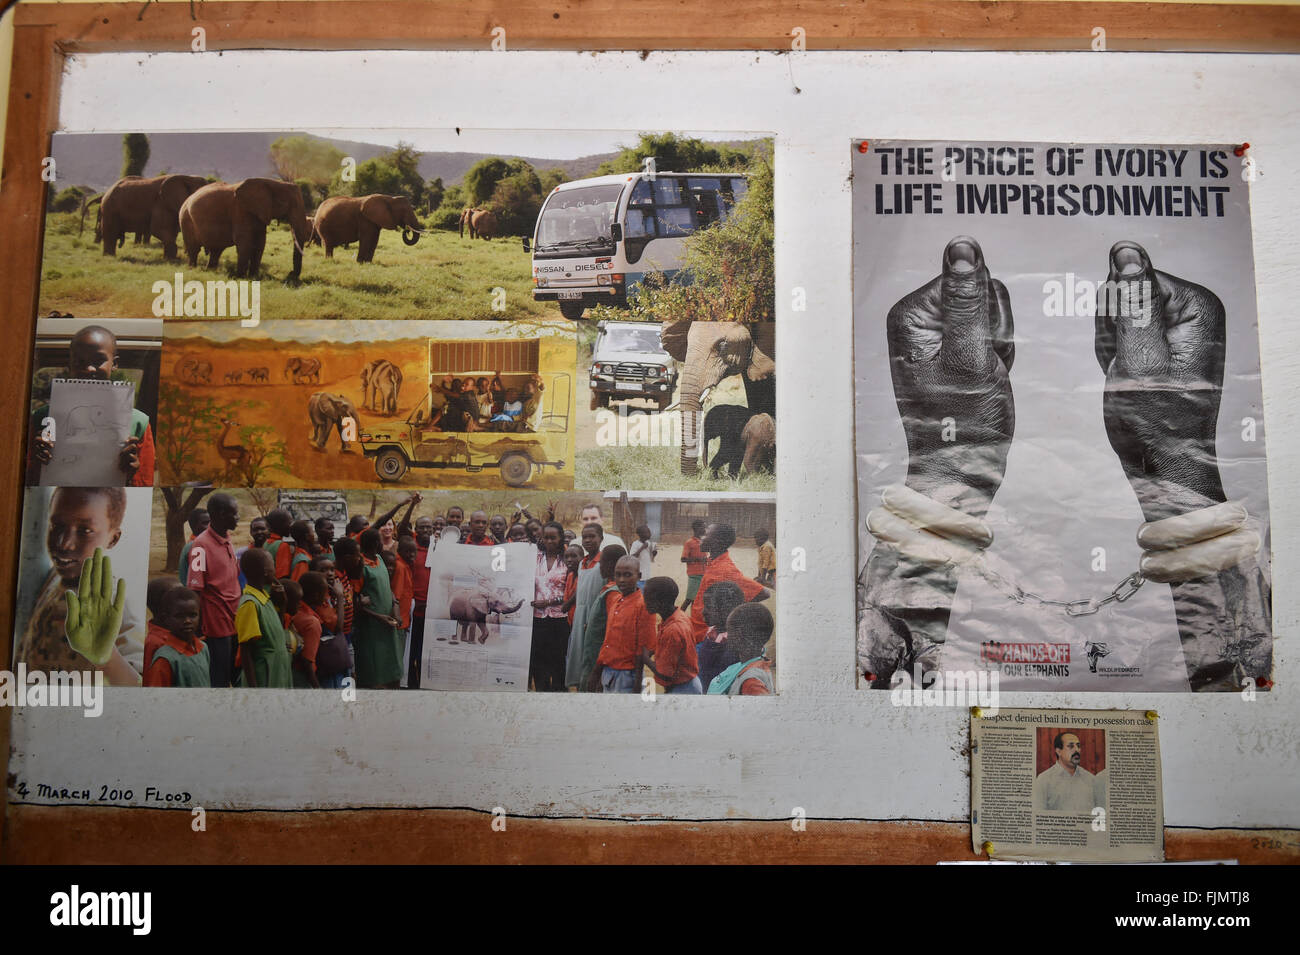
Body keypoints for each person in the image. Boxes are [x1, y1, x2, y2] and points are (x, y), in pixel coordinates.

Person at [26, 324, 156, 487]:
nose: (88, 368)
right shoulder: (42, 417)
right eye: (79, 361)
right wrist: (37, 461)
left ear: (114, 364)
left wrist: (131, 472)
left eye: (98, 360)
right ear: (70, 364)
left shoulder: (138, 422)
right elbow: (26, 482)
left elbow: (145, 481)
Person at [185, 492, 241, 687]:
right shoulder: (200, 545)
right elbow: (195, 588)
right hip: (217, 625)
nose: (238, 518)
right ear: (219, 514)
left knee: (236, 673)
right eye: (234, 514)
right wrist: (197, 625)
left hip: (236, 619)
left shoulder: (227, 538)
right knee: (219, 678)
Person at [338, 534, 403, 689]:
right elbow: (356, 602)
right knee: (374, 672)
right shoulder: (361, 568)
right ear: (375, 543)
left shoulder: (380, 559)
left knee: (392, 670)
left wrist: (395, 607)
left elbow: (388, 588)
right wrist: (378, 616)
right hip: (371, 629)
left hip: (387, 626)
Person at [689, 522, 770, 641]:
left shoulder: (724, 570)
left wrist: (732, 613)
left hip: (707, 635)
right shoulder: (713, 561)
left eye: (705, 535)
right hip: (698, 629)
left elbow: (763, 592)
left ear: (716, 542)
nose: (701, 538)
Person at [592, 555, 655, 694]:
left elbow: (644, 649)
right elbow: (608, 640)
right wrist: (598, 672)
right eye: (618, 575)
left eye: (627, 575)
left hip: (628, 676)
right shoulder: (615, 600)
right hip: (608, 672)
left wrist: (637, 685)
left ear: (638, 576)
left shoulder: (643, 606)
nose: (621, 580)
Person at [235, 548, 292, 689]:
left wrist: (282, 604)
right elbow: (246, 651)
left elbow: (274, 632)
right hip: (265, 676)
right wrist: (255, 691)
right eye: (273, 564)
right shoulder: (250, 603)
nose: (275, 568)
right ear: (266, 571)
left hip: (278, 671)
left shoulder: (265, 597)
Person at [564, 522, 611, 688]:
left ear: (601, 539)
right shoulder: (582, 562)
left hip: (594, 617)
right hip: (579, 616)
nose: (588, 540)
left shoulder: (603, 563)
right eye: (585, 537)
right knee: (578, 654)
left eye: (592, 536)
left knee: (592, 656)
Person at [641, 577, 701, 694]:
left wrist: (646, 659)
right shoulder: (679, 616)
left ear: (661, 603)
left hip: (682, 689)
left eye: (648, 599)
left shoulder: (672, 630)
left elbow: (665, 676)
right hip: (689, 685)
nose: (645, 603)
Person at [143, 583, 210, 687]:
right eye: (179, 616)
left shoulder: (203, 648)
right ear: (166, 618)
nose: (187, 621)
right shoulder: (165, 659)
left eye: (193, 615)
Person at [530, 521, 570, 692]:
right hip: (537, 619)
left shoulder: (568, 560)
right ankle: (541, 692)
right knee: (539, 660)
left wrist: (548, 602)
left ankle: (559, 694)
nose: (550, 541)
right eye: (546, 538)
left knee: (558, 660)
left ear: (560, 538)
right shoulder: (534, 558)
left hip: (560, 619)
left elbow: (572, 593)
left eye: (553, 538)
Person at [578, 545, 625, 691]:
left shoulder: (613, 594)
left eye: (602, 563)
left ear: (612, 565)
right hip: (594, 657)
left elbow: (612, 634)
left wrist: (597, 672)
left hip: (599, 662)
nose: (599, 567)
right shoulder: (609, 589)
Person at [707, 603, 775, 695]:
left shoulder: (751, 682)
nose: (726, 637)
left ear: (740, 635)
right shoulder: (750, 664)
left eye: (729, 631)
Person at [696, 580, 745, 692]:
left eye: (708, 607)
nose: (703, 612)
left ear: (725, 610)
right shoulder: (712, 633)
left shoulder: (734, 644)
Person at [1034, 732, 1100, 812]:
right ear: (1059, 751)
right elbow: (1038, 815)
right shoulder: (1044, 780)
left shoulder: (1091, 779)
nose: (1076, 750)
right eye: (1071, 746)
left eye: (1078, 746)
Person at [407, 516, 434, 688]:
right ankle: (411, 684)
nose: (425, 530)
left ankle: (426, 684)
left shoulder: (438, 547)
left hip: (432, 613)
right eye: (422, 527)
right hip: (413, 612)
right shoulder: (410, 548)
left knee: (427, 653)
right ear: (416, 529)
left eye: (428, 527)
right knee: (411, 653)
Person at [679, 520, 708, 610]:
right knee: (689, 598)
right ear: (697, 528)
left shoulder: (703, 541)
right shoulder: (689, 542)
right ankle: (677, 615)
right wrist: (698, 559)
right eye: (703, 527)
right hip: (694, 575)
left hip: (703, 574)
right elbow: (683, 559)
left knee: (696, 599)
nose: (705, 529)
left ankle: (692, 619)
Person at [177, 508, 210, 584]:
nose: (209, 526)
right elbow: (197, 582)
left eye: (210, 522)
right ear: (194, 525)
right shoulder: (196, 547)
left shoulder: (195, 544)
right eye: (205, 523)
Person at [262, 507, 295, 579]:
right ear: (281, 525)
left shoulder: (265, 542)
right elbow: (282, 575)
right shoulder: (282, 546)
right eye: (289, 523)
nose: (291, 526)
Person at [560, 543, 583, 627]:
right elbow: (566, 599)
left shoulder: (584, 576)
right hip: (571, 620)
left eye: (574, 556)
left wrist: (568, 604)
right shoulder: (570, 575)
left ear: (582, 558)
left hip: (581, 621)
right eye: (566, 557)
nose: (569, 560)